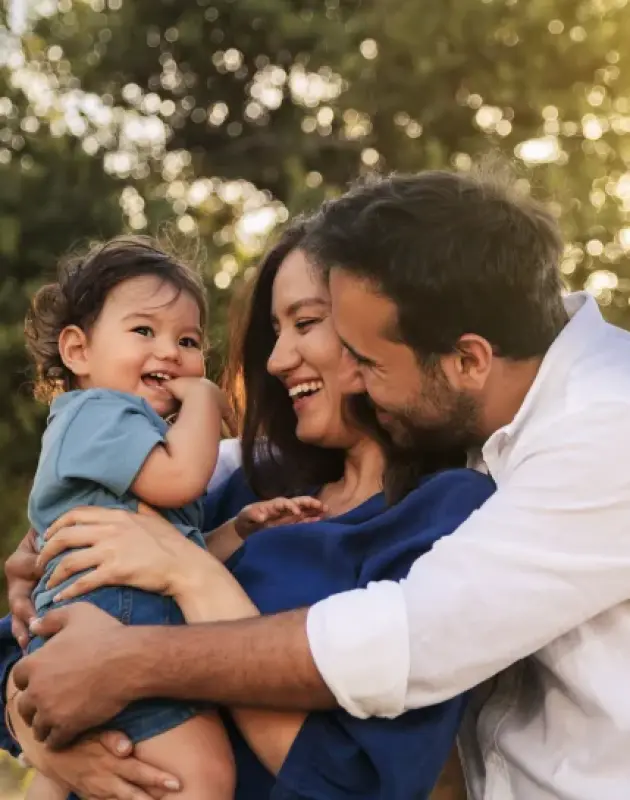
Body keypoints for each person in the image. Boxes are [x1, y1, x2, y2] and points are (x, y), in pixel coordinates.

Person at [7, 164, 630, 799]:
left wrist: (172, 600)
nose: (277, 360)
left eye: (313, 324)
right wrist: (52, 743)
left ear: (464, 357)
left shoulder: (556, 454)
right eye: (275, 330)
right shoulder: (244, 483)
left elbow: (403, 652)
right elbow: (28, 645)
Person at [18, 236, 238, 799]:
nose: (170, 352)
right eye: (144, 331)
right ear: (78, 352)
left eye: (188, 341)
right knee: (203, 776)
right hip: (114, 622)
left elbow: (170, 552)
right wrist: (208, 402)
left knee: (63, 776)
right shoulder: (100, 412)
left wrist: (239, 530)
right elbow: (182, 480)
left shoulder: (128, 435)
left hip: (101, 618)